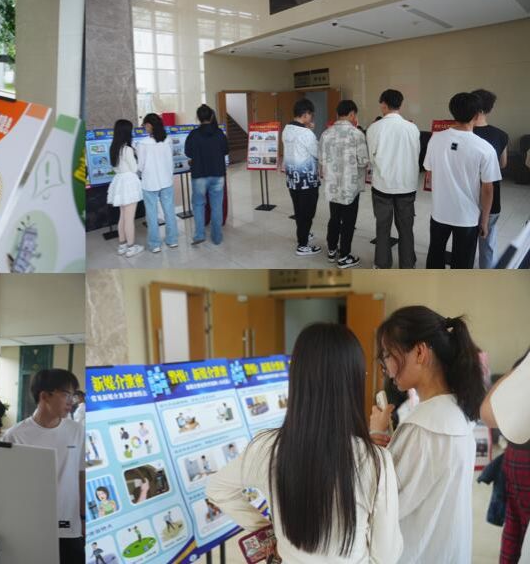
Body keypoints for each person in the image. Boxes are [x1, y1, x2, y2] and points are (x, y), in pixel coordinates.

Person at [207, 323, 402, 563]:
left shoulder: (266, 448)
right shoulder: (376, 461)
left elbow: (216, 488)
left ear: (297, 380)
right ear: (353, 383)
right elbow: (387, 556)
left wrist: (268, 531)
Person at [369, 306, 486, 564]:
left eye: (387, 355)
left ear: (420, 352)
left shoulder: (422, 429)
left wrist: (375, 436)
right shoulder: (457, 412)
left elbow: (382, 504)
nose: (386, 367)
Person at [3, 369, 84, 564]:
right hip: (31, 528)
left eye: (73, 395)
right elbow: (9, 487)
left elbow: (81, 474)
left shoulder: (77, 431)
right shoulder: (15, 435)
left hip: (69, 527)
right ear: (44, 396)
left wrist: (83, 517)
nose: (71, 401)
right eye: (66, 394)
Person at [423, 92, 499, 269]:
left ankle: (431, 283)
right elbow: (488, 189)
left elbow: (429, 170)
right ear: (477, 115)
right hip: (467, 217)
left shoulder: (436, 139)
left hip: (439, 212)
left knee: (435, 255)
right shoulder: (485, 148)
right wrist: (484, 220)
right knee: (462, 262)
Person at [481, 348, 530, 563]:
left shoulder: (524, 366)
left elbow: (488, 412)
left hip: (519, 459)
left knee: (515, 531)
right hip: (519, 459)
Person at [366, 89, 421, 269]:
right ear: (401, 104)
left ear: (383, 104)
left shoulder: (374, 128)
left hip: (383, 186)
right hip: (407, 186)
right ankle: (408, 264)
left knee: (383, 227)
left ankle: (382, 264)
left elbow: (371, 158)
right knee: (406, 228)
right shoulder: (412, 128)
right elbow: (416, 154)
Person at [319, 99, 369, 268]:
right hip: (350, 186)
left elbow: (321, 159)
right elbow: (363, 161)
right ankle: (344, 256)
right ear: (352, 114)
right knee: (348, 221)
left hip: (333, 185)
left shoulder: (326, 134)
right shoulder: (357, 134)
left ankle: (331, 250)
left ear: (337, 114)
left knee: (334, 218)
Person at [470, 89, 509, 269]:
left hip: (466, 197)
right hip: (492, 198)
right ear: (490, 109)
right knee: (488, 242)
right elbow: (503, 164)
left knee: (465, 243)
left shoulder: (463, 133)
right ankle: (487, 275)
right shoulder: (501, 135)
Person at [184, 104, 229, 246]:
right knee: (217, 206)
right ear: (211, 116)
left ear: (198, 117)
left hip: (199, 175)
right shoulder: (219, 133)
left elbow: (188, 152)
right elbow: (226, 150)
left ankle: (199, 235)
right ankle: (217, 237)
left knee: (198, 204)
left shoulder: (193, 134)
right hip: (218, 174)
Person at [282, 99, 322, 256]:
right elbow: (317, 153)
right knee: (307, 213)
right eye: (311, 115)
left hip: (292, 178)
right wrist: (311, 133)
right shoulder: (306, 134)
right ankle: (303, 245)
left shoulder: (287, 129)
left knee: (299, 210)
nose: (311, 118)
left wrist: (308, 130)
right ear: (305, 114)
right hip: (306, 180)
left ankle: (303, 233)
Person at [137, 113, 178, 253]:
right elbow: (170, 160)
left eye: (144, 125)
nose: (144, 128)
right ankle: (172, 240)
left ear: (149, 125)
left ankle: (155, 244)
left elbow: (140, 166)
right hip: (166, 181)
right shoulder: (168, 140)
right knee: (169, 211)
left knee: (151, 214)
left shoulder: (143, 143)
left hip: (150, 182)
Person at [106, 119, 144, 257]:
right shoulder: (127, 149)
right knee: (129, 218)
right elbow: (134, 168)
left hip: (119, 181)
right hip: (129, 182)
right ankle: (131, 247)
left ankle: (122, 245)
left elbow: (115, 167)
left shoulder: (114, 148)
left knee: (122, 216)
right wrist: (137, 154)